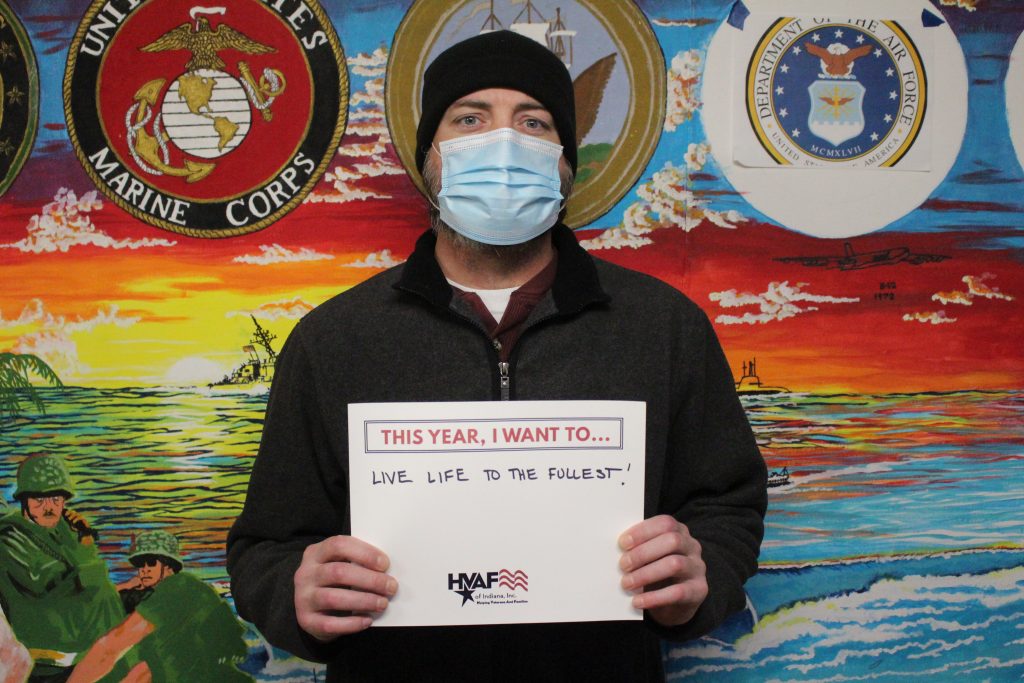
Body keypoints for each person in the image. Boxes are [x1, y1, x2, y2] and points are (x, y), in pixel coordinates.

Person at [227, 30, 766, 681]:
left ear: (566, 162)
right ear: (428, 157)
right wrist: (297, 593)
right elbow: (265, 547)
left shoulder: (664, 326)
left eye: (533, 123)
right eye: (470, 119)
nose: (503, 143)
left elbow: (728, 507)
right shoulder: (333, 339)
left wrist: (698, 575)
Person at [0, 454, 125, 682]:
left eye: (56, 499)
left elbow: (89, 583)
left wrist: (80, 541)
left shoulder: (63, 532)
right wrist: (84, 547)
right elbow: (50, 581)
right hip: (49, 658)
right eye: (40, 499)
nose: (49, 507)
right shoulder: (9, 539)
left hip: (85, 650)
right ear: (25, 500)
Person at [67, 530, 252, 683]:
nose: (145, 569)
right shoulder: (184, 589)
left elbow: (110, 648)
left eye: (151, 562)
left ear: (169, 565)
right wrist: (126, 586)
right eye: (140, 564)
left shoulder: (177, 587)